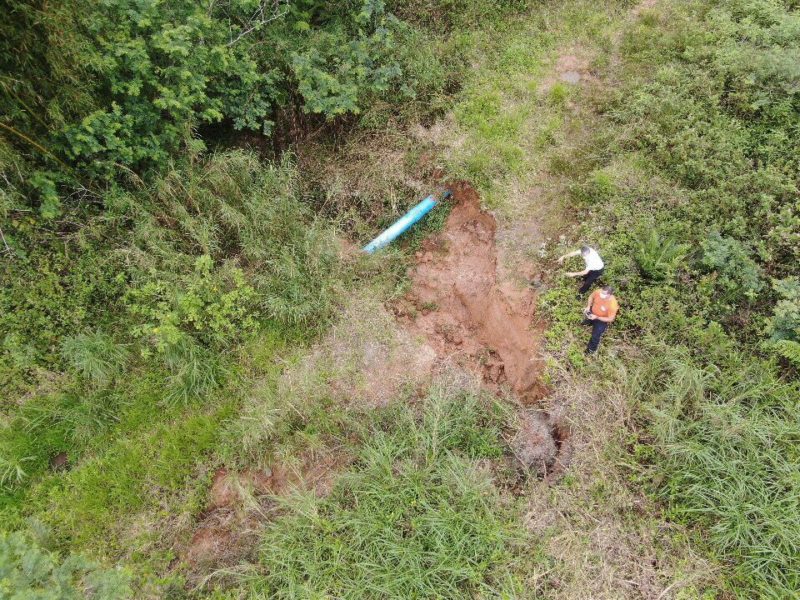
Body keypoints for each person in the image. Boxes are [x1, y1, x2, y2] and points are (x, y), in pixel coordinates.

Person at [583, 285, 618, 354]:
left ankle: (590, 350)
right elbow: (591, 297)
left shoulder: (612, 305)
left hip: (601, 320)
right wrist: (588, 306)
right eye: (602, 292)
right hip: (592, 313)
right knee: (587, 320)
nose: (601, 294)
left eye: (604, 294)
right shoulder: (598, 292)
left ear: (609, 294)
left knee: (595, 335)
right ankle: (588, 322)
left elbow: (610, 319)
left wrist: (597, 317)